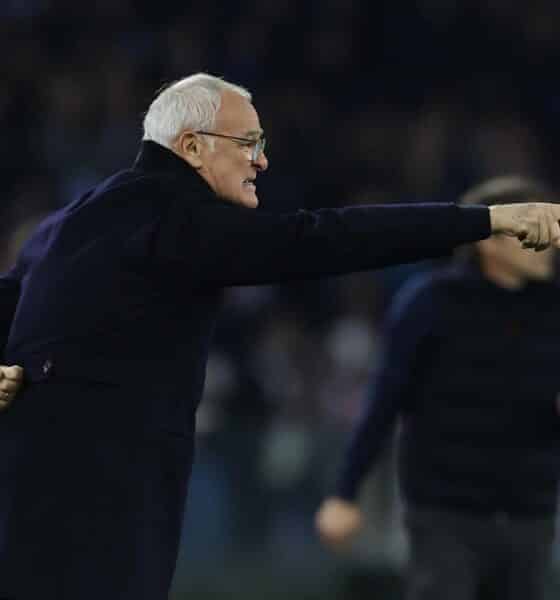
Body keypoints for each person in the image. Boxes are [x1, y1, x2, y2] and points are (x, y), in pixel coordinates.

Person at [0, 75, 559, 600]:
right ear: (192, 148)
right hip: (104, 507)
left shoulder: (71, 220)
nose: (262, 160)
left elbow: (13, 296)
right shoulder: (178, 218)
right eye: (248, 143)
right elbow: (327, 238)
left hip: (31, 497)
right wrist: (482, 221)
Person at [315, 176, 560, 600]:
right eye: (532, 227)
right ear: (489, 238)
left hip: (530, 513)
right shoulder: (431, 301)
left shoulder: (554, 308)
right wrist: (344, 492)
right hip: (444, 513)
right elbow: (383, 401)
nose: (548, 241)